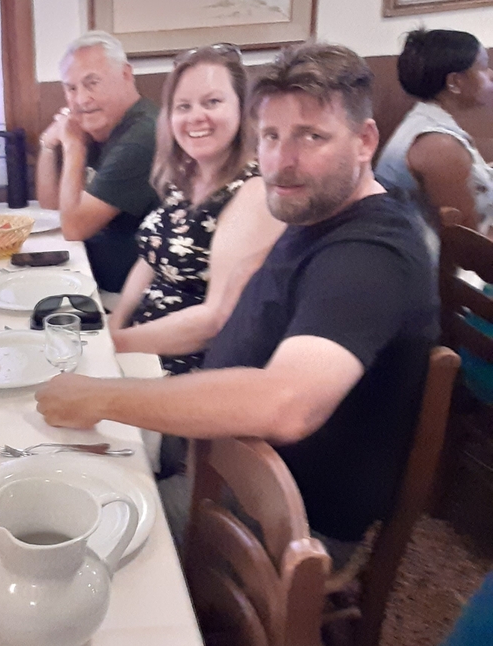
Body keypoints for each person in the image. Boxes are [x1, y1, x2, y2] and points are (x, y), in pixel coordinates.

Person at [36, 43, 438, 557]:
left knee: (72, 544)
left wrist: (99, 395)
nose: (283, 161)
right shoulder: (310, 213)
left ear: (364, 141)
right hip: (216, 458)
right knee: (50, 470)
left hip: (276, 514)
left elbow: (287, 403)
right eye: (271, 136)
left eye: (311, 136)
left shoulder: (370, 253)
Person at [108, 44, 284, 374]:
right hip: (140, 351)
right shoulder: (187, 176)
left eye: (212, 102)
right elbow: (151, 260)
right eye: (183, 106)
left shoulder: (254, 192)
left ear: (243, 109)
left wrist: (115, 346)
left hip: (190, 371)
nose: (195, 117)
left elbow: (213, 321)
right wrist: (114, 326)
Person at [36, 31, 160, 295]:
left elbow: (73, 228)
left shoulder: (141, 138)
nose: (81, 100)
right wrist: (48, 144)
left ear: (126, 75)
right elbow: (50, 208)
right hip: (91, 276)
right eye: (71, 88)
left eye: (92, 83)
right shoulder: (103, 124)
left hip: (128, 297)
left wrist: (73, 146)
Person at [376, 29, 493, 243]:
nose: (491, 74)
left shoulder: (428, 121)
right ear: (455, 83)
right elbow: (470, 242)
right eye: (484, 67)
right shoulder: (439, 146)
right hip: (430, 266)